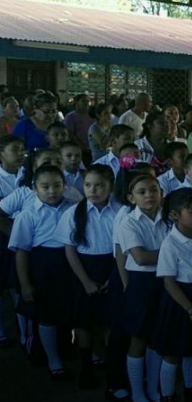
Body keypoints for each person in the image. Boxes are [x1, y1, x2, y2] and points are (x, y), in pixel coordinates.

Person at [54, 165, 119, 388]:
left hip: (112, 268)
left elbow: (122, 251)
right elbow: (70, 250)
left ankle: (113, 367)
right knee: (84, 323)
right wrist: (85, 281)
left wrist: (114, 277)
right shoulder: (73, 213)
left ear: (111, 186)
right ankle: (86, 367)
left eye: (100, 185)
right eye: (88, 185)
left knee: (111, 322)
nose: (93, 190)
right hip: (84, 270)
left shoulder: (119, 211)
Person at [10, 165, 76, 380]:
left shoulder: (73, 208)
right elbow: (21, 251)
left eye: (57, 185)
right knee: (47, 316)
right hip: (43, 268)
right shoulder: (28, 215)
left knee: (70, 311)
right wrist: (26, 284)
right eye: (45, 186)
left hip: (70, 266)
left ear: (64, 186)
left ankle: (68, 349)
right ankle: (52, 359)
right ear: (34, 188)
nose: (51, 191)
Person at [151, 188, 192, 402]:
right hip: (179, 301)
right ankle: (167, 395)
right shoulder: (170, 243)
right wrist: (191, 309)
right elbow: (168, 281)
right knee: (172, 353)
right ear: (175, 215)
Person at [118, 174, 171, 402]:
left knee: (157, 337)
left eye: (154, 190)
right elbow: (140, 257)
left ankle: (153, 389)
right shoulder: (128, 222)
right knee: (138, 338)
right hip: (141, 283)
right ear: (131, 198)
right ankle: (137, 392)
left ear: (161, 193)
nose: (149, 195)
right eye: (142, 192)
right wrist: (173, 255)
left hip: (165, 281)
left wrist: (169, 257)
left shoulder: (170, 219)